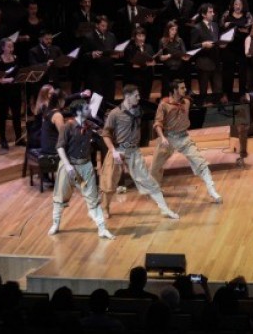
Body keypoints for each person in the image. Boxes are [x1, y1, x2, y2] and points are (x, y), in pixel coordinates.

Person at [101, 85, 179, 219]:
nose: (138, 98)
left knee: (149, 181)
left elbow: (157, 112)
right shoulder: (115, 113)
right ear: (127, 96)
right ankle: (105, 207)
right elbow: (106, 134)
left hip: (133, 152)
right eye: (136, 95)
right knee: (109, 183)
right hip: (118, 151)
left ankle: (164, 209)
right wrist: (113, 151)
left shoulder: (139, 110)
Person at [49, 99, 116, 239]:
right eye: (87, 108)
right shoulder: (67, 127)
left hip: (85, 166)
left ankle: (102, 228)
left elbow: (103, 132)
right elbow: (60, 147)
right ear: (79, 111)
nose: (90, 110)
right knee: (60, 196)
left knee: (92, 198)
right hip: (69, 166)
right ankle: (56, 223)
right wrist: (67, 165)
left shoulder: (89, 125)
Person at [150, 79, 222, 203]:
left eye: (184, 87)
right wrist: (162, 137)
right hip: (168, 139)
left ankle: (212, 190)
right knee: (154, 168)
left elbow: (200, 102)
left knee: (201, 163)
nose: (185, 90)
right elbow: (157, 123)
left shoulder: (187, 102)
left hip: (184, 138)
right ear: (174, 90)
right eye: (182, 88)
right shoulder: (164, 104)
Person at [190, 3, 225, 104]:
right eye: (210, 12)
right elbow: (192, 45)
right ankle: (203, 114)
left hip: (216, 62)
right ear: (203, 14)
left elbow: (216, 41)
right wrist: (202, 44)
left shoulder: (215, 25)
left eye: (213, 11)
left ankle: (218, 113)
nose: (213, 14)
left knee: (218, 90)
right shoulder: (197, 28)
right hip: (204, 63)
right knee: (203, 91)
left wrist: (221, 44)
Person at [220, 0, 253, 99]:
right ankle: (227, 94)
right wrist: (227, 25)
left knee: (242, 71)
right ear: (232, 5)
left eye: (240, 4)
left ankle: (242, 94)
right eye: (236, 4)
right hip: (229, 47)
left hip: (242, 47)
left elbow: (249, 28)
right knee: (228, 71)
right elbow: (221, 26)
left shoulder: (247, 15)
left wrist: (239, 28)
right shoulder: (227, 14)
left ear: (243, 6)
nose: (237, 6)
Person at [80, 15, 119, 103]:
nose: (105, 28)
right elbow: (82, 56)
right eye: (102, 26)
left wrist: (118, 54)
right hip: (95, 75)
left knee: (109, 98)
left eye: (106, 26)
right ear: (96, 25)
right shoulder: (88, 37)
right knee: (96, 101)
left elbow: (115, 50)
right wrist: (91, 54)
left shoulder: (111, 36)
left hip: (109, 73)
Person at [0, 38, 22, 152]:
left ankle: (19, 138)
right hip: (2, 92)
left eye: (12, 46)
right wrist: (7, 80)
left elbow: (19, 73)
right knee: (2, 116)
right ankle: (3, 139)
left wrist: (16, 79)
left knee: (16, 115)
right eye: (9, 46)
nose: (11, 48)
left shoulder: (16, 58)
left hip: (15, 90)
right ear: (3, 47)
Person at [157, 20, 191, 98]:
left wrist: (185, 57)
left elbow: (184, 55)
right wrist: (168, 56)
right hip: (167, 69)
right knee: (166, 91)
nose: (174, 31)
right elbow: (160, 57)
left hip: (179, 69)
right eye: (172, 29)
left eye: (175, 29)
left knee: (179, 91)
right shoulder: (162, 41)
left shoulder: (180, 40)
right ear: (167, 29)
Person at [123, 26, 156, 103]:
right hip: (135, 78)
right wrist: (143, 64)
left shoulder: (149, 47)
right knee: (135, 100)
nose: (141, 38)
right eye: (139, 36)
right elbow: (130, 64)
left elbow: (153, 60)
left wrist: (152, 62)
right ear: (135, 37)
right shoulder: (130, 48)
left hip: (147, 78)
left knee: (145, 99)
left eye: (143, 36)